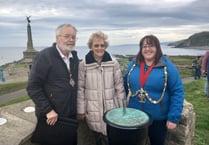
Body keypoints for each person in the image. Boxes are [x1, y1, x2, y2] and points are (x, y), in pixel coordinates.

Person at [123, 35, 184, 145]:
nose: (147, 49)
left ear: (158, 48)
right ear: (141, 49)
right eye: (144, 46)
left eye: (151, 46)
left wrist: (173, 117)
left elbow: (177, 92)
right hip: (134, 115)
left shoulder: (167, 67)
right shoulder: (133, 64)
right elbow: (124, 85)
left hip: (158, 119)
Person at [27, 24, 79, 145]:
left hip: (70, 115)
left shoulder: (74, 57)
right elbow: (33, 87)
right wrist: (48, 110)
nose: (71, 40)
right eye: (67, 36)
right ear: (57, 38)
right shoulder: (44, 57)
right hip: (52, 117)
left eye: (73, 37)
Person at [77, 31, 125, 145]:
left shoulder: (113, 63)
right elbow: (80, 89)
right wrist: (81, 110)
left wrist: (122, 109)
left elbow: (119, 87)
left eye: (102, 45)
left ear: (105, 46)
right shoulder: (83, 65)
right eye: (96, 45)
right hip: (92, 110)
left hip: (111, 109)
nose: (99, 48)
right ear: (91, 47)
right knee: (95, 139)